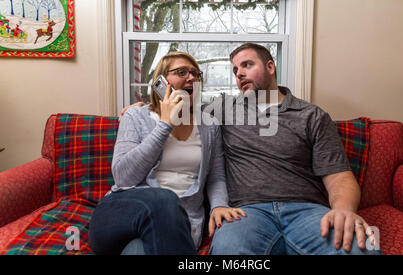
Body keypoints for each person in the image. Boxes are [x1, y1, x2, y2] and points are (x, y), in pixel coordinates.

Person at [120, 44, 381, 255]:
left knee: (362, 249)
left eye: (247, 65)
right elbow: (176, 106)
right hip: (246, 213)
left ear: (270, 66)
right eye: (235, 70)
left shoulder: (311, 115)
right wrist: (141, 105)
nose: (239, 74)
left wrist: (344, 210)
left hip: (307, 212)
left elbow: (339, 176)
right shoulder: (220, 110)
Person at [89, 51, 245, 255]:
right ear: (161, 81)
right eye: (181, 72)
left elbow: (216, 176)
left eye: (195, 74)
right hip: (121, 214)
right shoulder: (136, 116)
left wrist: (218, 205)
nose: (191, 78)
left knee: (137, 250)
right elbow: (124, 177)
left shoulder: (208, 124)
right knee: (164, 199)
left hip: (181, 224)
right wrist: (165, 124)